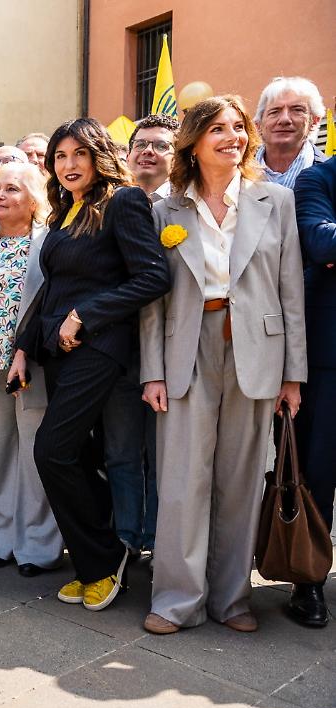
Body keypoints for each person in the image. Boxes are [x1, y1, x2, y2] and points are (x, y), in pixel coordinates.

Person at [141, 95, 306, 635]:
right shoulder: (165, 209)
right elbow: (153, 300)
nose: (232, 136)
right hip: (186, 347)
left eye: (238, 128)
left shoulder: (274, 200)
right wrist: (153, 371)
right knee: (184, 480)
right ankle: (176, 600)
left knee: (240, 480)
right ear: (193, 140)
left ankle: (232, 598)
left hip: (257, 351)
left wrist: (292, 375)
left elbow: (290, 291)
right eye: (218, 128)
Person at [7, 117, 170, 613]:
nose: (68, 164)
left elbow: (152, 277)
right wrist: (24, 347)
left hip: (100, 350)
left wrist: (85, 315)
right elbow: (51, 289)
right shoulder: (63, 212)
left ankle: (105, 557)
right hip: (59, 352)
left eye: (79, 154)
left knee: (51, 451)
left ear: (99, 154)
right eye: (60, 156)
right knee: (73, 455)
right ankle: (97, 558)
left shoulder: (123, 201)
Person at [0, 162, 62, 576]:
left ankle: (37, 547)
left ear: (33, 198)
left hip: (34, 369)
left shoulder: (51, 243)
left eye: (12, 190)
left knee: (34, 458)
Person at [103, 113, 179, 565]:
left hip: (172, 351)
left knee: (165, 456)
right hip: (117, 352)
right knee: (120, 451)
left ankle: (161, 540)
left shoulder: (185, 207)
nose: (149, 151)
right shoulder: (106, 206)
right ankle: (127, 540)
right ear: (127, 154)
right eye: (141, 144)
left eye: (161, 145)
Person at [290, 139, 336, 628]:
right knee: (317, 477)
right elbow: (321, 242)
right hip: (328, 361)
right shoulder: (318, 179)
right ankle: (309, 582)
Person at [254, 77, 327, 189]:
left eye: (297, 110)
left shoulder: (331, 176)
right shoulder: (234, 172)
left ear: (314, 121)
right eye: (274, 111)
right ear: (258, 124)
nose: (284, 119)